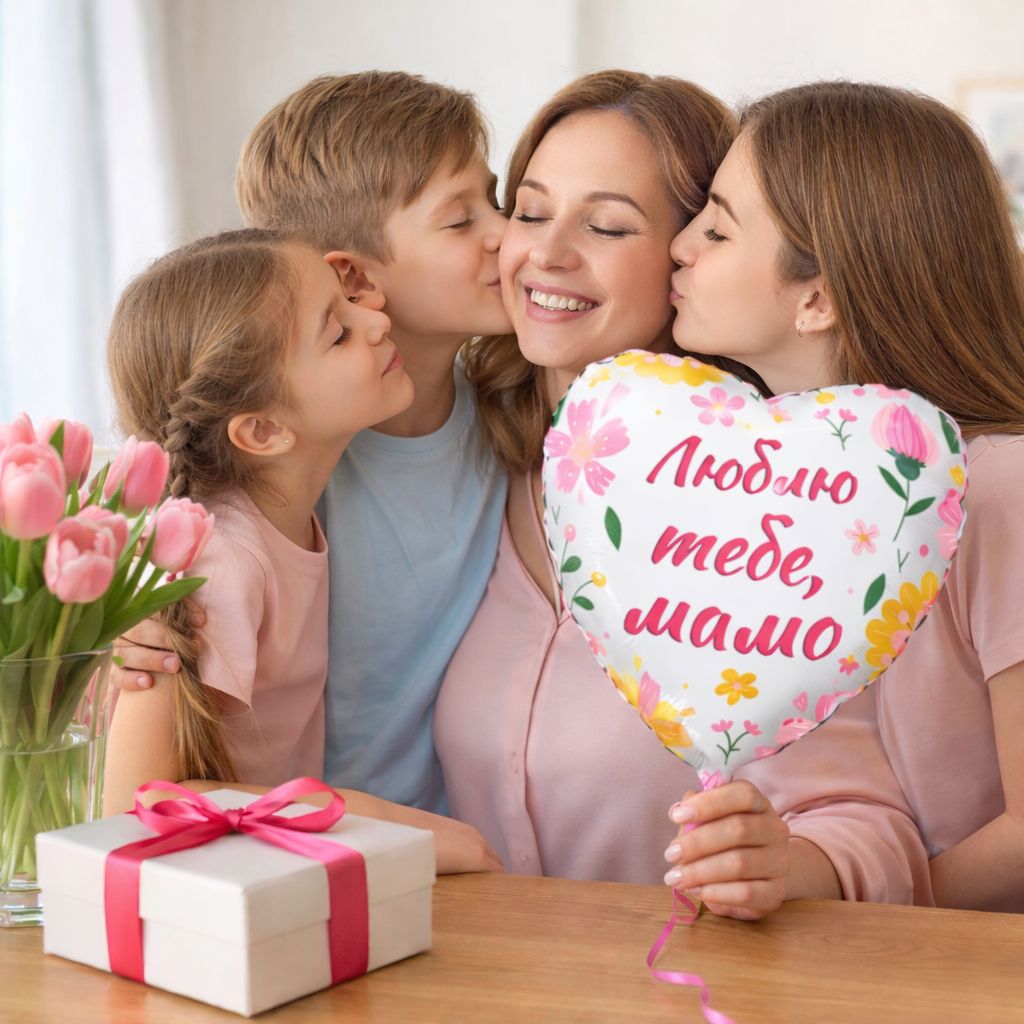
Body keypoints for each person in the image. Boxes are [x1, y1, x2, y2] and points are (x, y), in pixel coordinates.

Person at [661, 82, 1024, 918]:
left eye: (717, 229)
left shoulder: (998, 494)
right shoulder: (779, 498)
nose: (679, 246)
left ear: (817, 298)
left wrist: (861, 915)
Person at [110, 72, 511, 819]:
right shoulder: (273, 480)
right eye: (461, 220)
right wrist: (128, 626)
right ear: (349, 273)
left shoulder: (514, 416)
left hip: (424, 846)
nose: (508, 232)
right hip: (316, 842)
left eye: (498, 200)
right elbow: (139, 795)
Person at [435, 70, 759, 884]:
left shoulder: (756, 509)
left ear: (691, 255)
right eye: (530, 212)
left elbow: (854, 808)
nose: (547, 253)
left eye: (607, 225)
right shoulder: (456, 448)